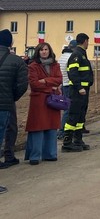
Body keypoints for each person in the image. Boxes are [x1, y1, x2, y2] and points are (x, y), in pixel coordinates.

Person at [24, 43, 62, 164]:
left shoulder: (55, 65)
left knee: (52, 126)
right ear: (38, 52)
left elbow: (59, 79)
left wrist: (45, 80)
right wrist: (51, 87)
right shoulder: (33, 66)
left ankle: (50, 154)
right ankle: (35, 156)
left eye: (46, 49)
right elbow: (34, 84)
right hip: (39, 100)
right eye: (41, 50)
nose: (44, 52)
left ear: (49, 51)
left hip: (53, 101)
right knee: (37, 127)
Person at [0, 29, 28, 193]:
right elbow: (22, 85)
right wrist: (12, 98)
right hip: (3, 106)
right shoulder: (16, 61)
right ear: (10, 43)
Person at [62, 33, 93, 153]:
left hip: (84, 91)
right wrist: (79, 87)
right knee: (74, 115)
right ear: (85, 41)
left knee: (80, 116)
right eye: (88, 41)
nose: (88, 44)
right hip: (77, 91)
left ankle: (78, 140)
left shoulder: (81, 54)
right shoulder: (77, 55)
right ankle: (67, 142)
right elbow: (72, 72)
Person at [55, 40, 77, 141]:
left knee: (65, 108)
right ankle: (62, 131)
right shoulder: (71, 58)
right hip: (69, 84)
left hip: (63, 84)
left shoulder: (62, 57)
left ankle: (62, 129)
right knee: (68, 109)